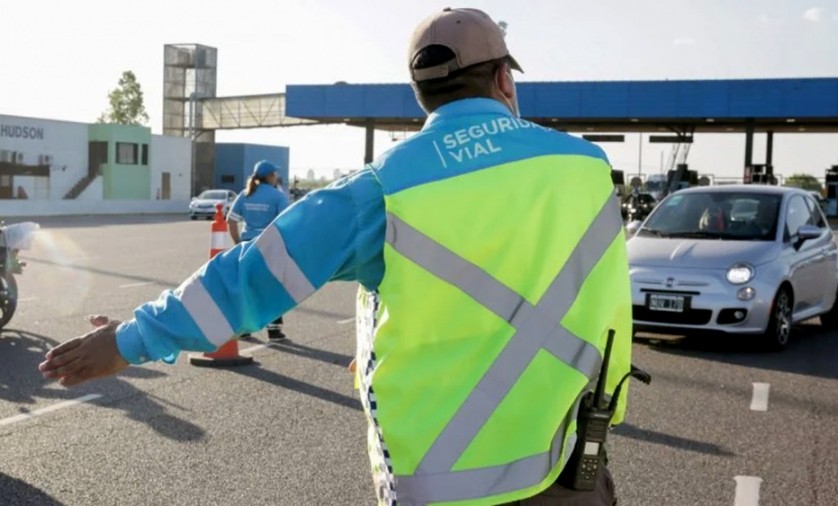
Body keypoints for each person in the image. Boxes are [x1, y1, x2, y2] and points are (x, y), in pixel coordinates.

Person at [38, 7, 633, 505]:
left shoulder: (385, 187)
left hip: (448, 486)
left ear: (421, 93)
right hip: (572, 469)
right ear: (504, 80)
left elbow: (250, 279)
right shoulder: (584, 168)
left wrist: (127, 341)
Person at [226, 159, 291, 341]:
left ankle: (245, 329)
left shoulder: (245, 194)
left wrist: (239, 242)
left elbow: (231, 220)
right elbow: (286, 221)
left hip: (247, 246)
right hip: (269, 246)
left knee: (249, 289)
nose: (277, 176)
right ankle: (274, 330)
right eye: (275, 173)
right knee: (273, 288)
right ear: (270, 176)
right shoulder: (278, 196)